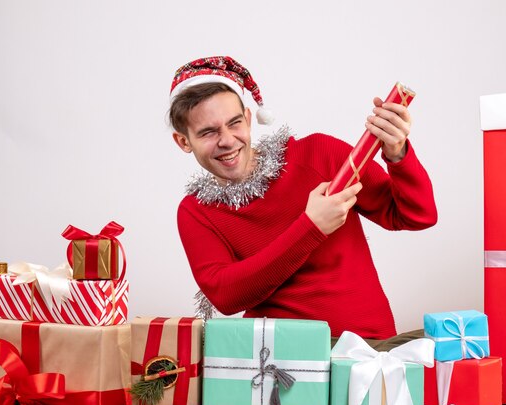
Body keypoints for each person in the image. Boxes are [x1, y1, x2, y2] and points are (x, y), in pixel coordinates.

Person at [170, 56, 437, 343]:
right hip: (277, 360)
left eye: (234, 123)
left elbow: (416, 215)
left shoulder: (318, 155)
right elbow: (227, 296)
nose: (227, 140)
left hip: (366, 347)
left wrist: (397, 154)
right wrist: (311, 227)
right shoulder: (196, 212)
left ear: (248, 119)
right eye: (208, 132)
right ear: (184, 141)